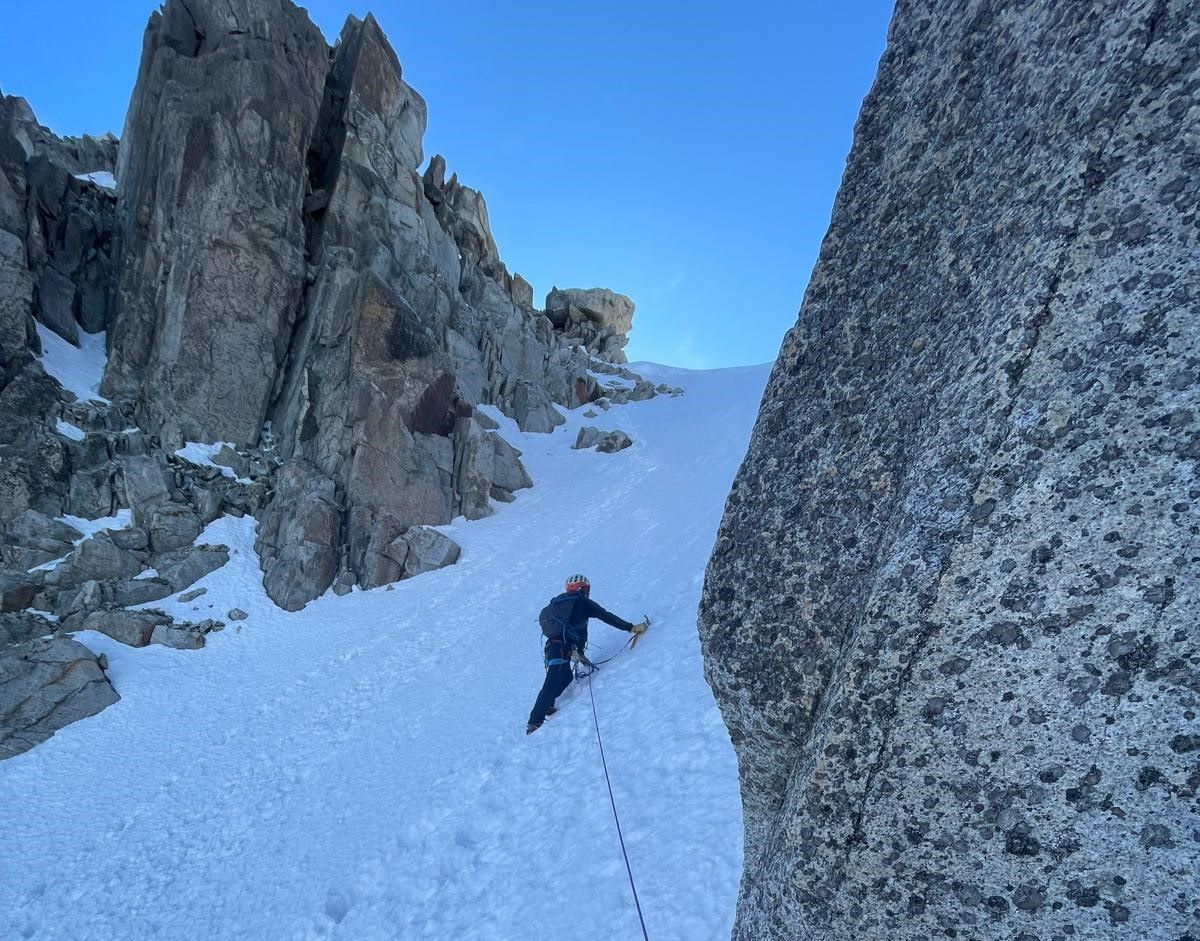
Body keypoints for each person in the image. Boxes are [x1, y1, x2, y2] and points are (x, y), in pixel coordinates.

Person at [526, 574, 646, 734]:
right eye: (586, 589)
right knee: (552, 681)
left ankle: (548, 705)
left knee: (566, 676)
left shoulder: (557, 603)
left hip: (553, 646)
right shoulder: (582, 602)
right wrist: (631, 627)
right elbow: (606, 616)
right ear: (581, 588)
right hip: (564, 647)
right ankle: (534, 721)